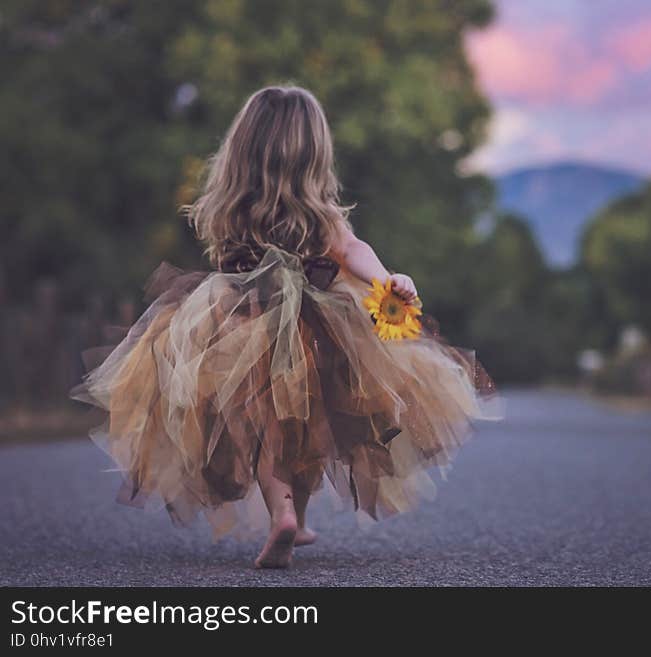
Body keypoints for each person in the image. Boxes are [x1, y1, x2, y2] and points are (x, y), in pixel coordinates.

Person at [72, 85, 498, 569]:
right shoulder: (319, 214)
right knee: (307, 426)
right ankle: (294, 515)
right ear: (314, 154)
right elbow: (354, 251)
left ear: (241, 149)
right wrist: (387, 279)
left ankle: (285, 515)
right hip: (317, 328)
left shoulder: (229, 207)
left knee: (263, 427)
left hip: (233, 324)